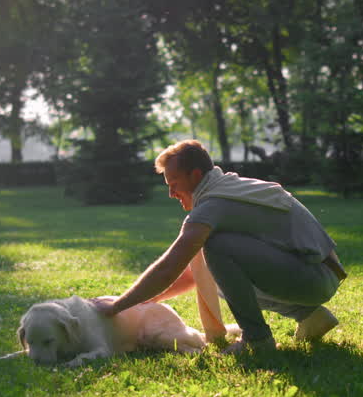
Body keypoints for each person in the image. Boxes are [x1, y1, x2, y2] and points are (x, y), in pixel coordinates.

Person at [92, 140, 346, 354]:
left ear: (195, 175)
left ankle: (257, 339)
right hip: (320, 273)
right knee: (212, 260)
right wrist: (151, 298)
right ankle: (310, 316)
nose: (171, 193)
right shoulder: (227, 188)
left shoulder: (213, 204)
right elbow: (196, 274)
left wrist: (117, 306)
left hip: (315, 276)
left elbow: (169, 267)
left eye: (174, 183)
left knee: (216, 246)